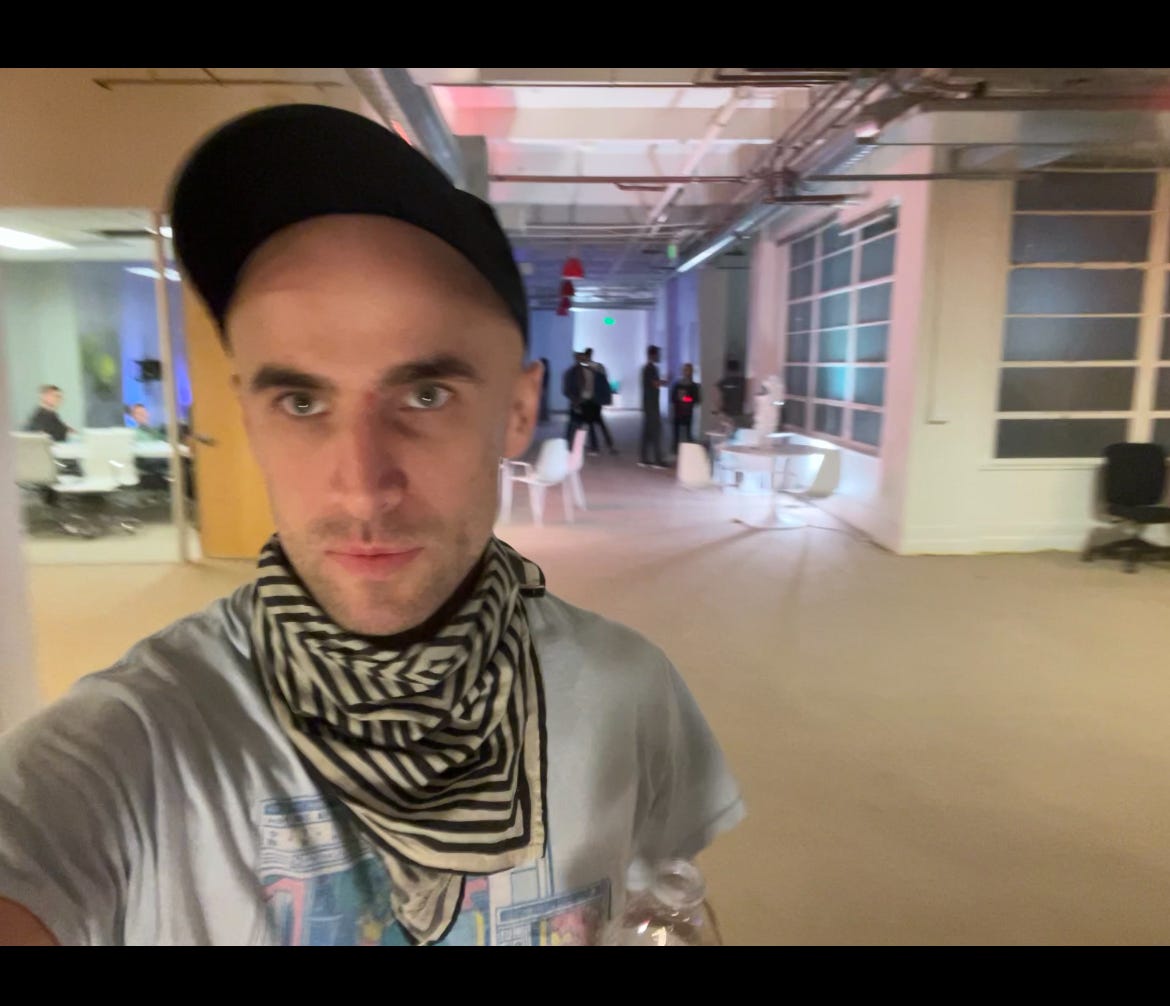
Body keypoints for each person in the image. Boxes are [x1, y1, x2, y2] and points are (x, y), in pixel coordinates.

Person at [0, 105, 742, 947]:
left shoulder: (631, 693)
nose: (362, 489)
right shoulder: (134, 748)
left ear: (517, 409)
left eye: (424, 396)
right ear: (247, 417)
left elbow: (661, 906)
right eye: (301, 401)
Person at [582, 348, 617, 456]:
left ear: (585, 356)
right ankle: (610, 445)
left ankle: (595, 447)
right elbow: (605, 380)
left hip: (589, 400)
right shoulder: (599, 367)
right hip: (597, 400)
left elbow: (585, 386)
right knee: (600, 423)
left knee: (591, 424)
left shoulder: (584, 369)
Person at [639, 345, 668, 469]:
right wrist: (666, 381)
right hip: (652, 405)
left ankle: (643, 458)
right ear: (653, 355)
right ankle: (657, 460)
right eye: (658, 354)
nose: (659, 356)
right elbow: (655, 384)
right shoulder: (651, 369)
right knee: (656, 431)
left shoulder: (647, 368)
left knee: (647, 432)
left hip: (648, 404)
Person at [670, 363, 701, 453]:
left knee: (688, 433)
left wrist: (685, 399)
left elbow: (697, 400)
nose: (686, 372)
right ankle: (675, 449)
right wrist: (679, 399)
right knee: (676, 434)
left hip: (688, 413)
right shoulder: (677, 384)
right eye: (685, 370)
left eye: (688, 370)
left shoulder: (694, 386)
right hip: (678, 412)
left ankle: (688, 451)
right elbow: (673, 398)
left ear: (691, 372)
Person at [716, 359, 747, 425]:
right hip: (740, 413)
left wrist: (719, 411)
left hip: (727, 414)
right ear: (738, 369)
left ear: (727, 370)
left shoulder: (723, 383)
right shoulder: (743, 382)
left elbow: (719, 400)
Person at [538, 356, 551, 423]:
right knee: (542, 403)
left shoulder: (544, 372)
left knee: (542, 402)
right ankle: (542, 417)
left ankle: (542, 417)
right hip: (542, 389)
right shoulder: (545, 372)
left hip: (542, 388)